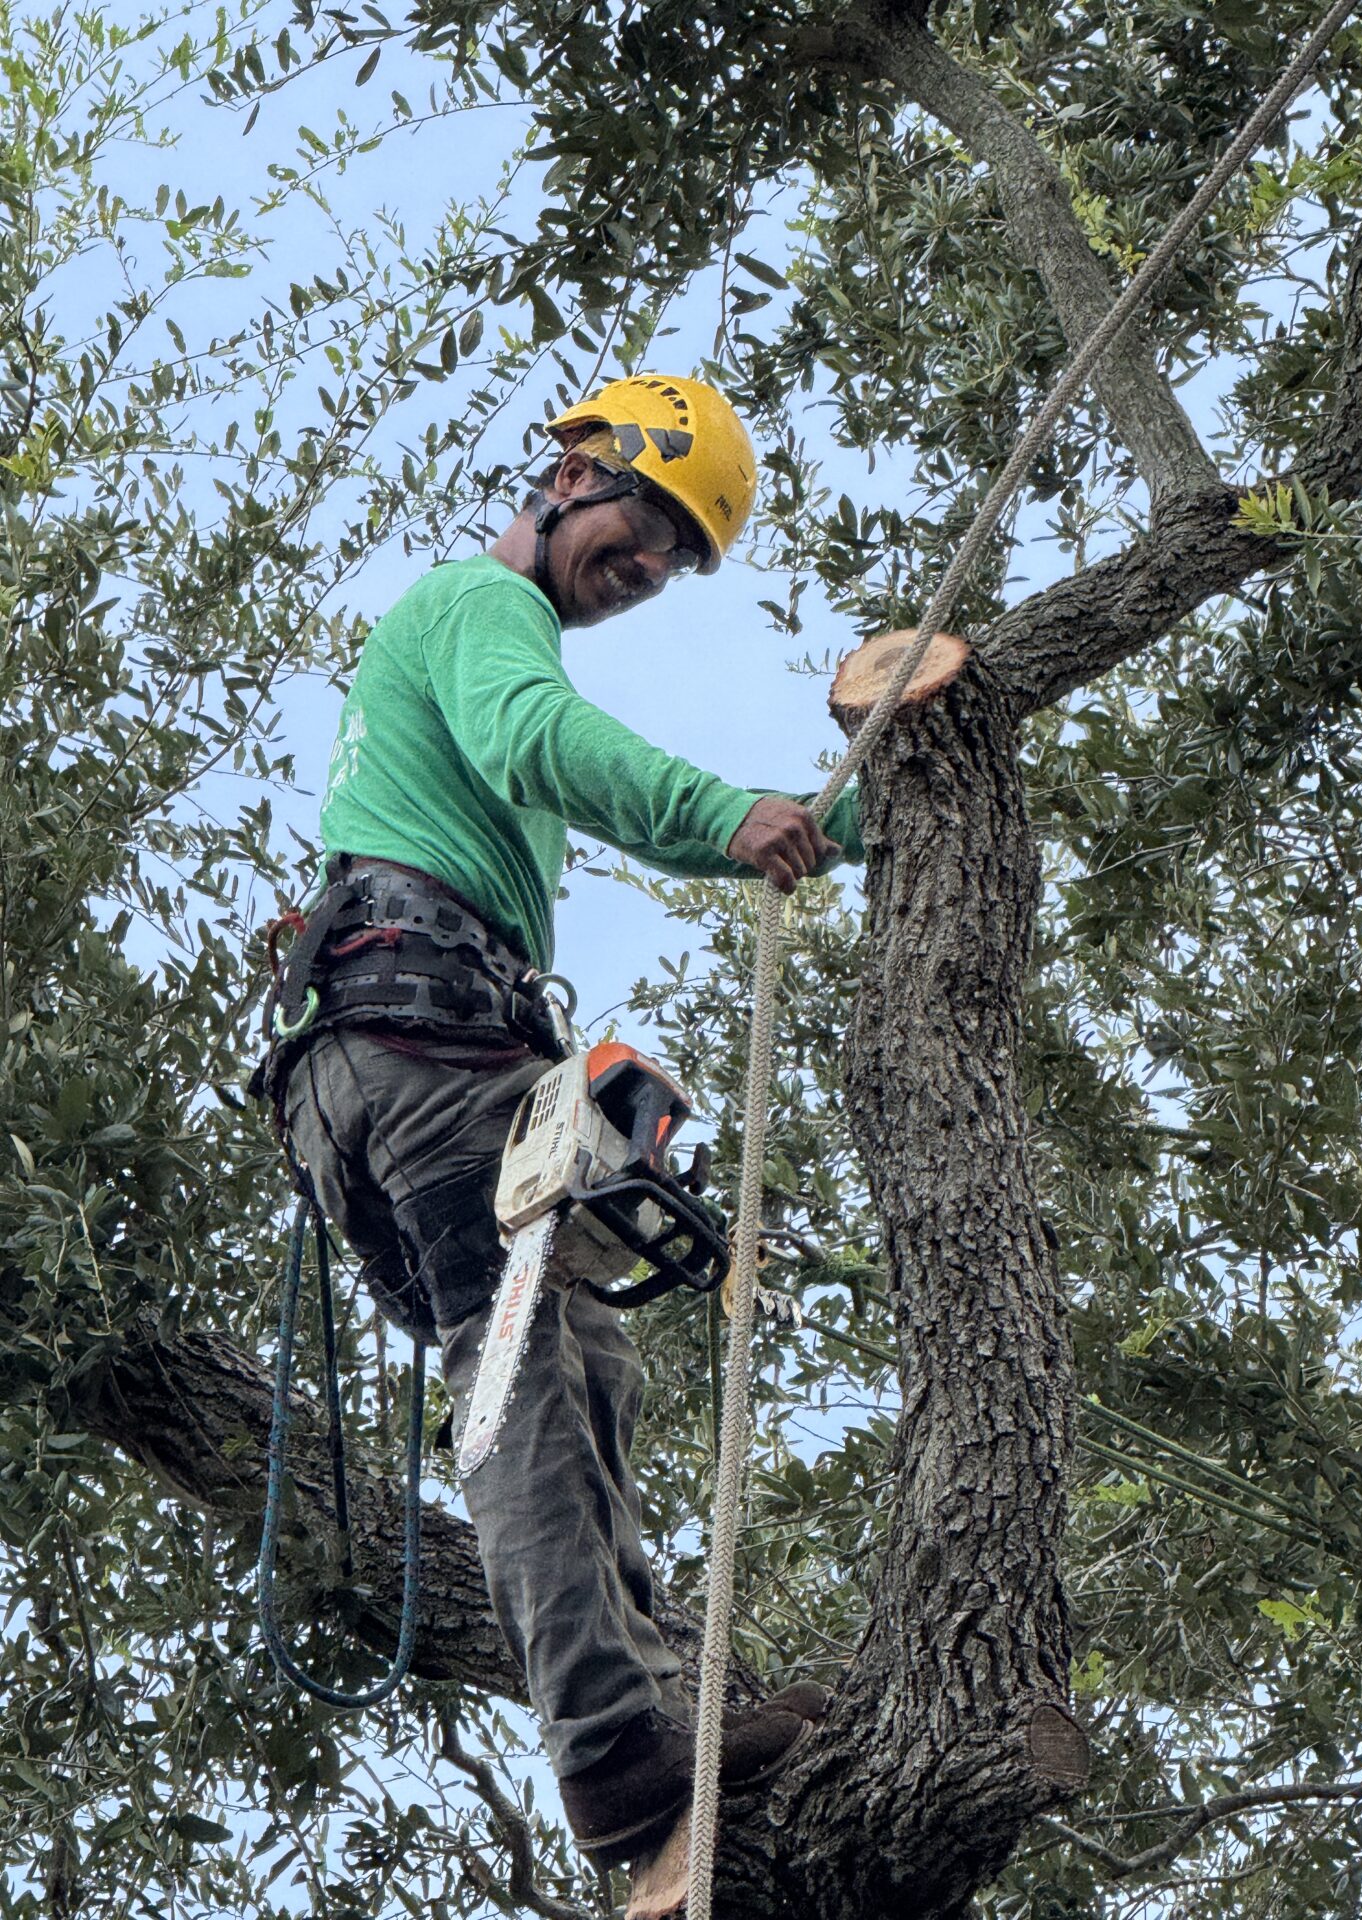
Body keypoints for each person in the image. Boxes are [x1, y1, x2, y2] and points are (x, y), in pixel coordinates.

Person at [270, 374, 864, 1866]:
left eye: (677, 557)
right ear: (570, 473)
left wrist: (849, 811)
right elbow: (545, 742)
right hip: (422, 1047)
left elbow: (606, 794)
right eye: (649, 521)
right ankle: (613, 1745)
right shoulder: (483, 607)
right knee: (535, 1360)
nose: (650, 567)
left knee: (571, 1358)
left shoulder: (478, 665)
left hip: (393, 1064)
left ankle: (650, 1695)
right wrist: (732, 811)